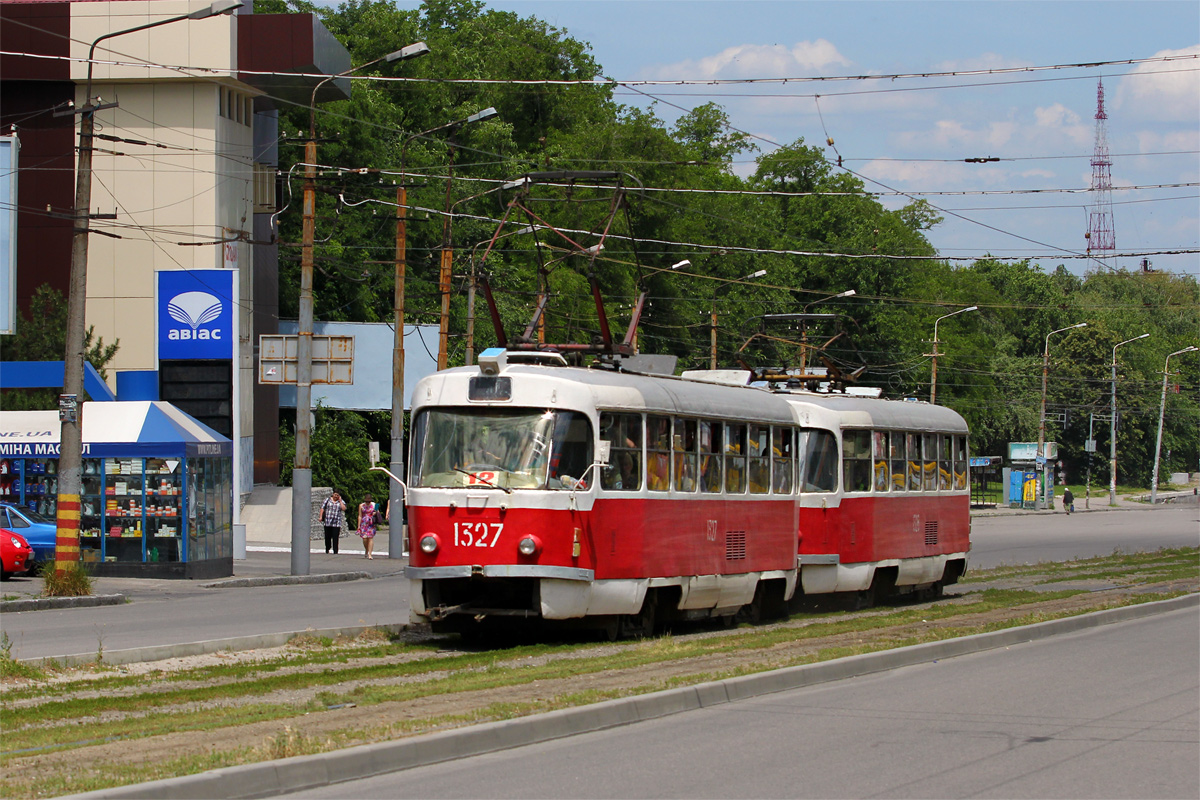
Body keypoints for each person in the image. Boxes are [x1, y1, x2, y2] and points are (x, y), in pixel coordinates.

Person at [357, 492, 379, 559]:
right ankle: (367, 549)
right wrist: (358, 526)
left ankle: (370, 554)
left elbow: (378, 513)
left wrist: (375, 513)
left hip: (371, 523)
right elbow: (360, 516)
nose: (367, 503)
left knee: (370, 538)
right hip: (363, 523)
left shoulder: (374, 505)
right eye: (366, 501)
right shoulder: (361, 505)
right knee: (364, 539)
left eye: (368, 501)